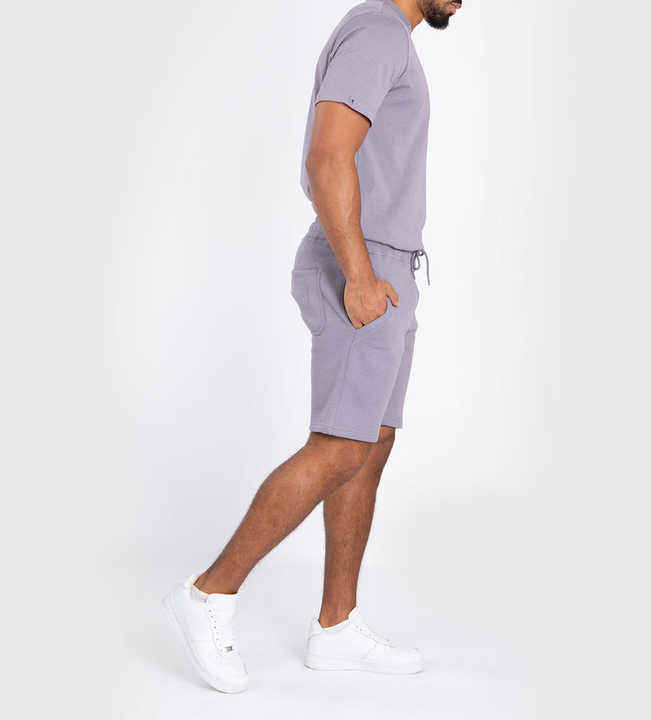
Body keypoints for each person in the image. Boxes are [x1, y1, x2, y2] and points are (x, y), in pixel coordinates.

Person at [162, 0, 461, 693]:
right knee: (341, 445)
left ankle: (336, 626)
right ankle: (209, 593)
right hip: (362, 265)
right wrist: (358, 275)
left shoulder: (391, 37)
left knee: (371, 440)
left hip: (388, 266)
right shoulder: (378, 31)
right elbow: (327, 157)